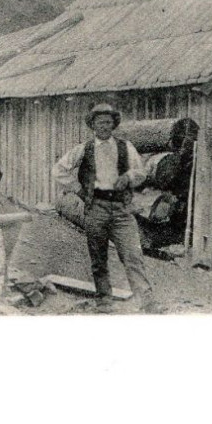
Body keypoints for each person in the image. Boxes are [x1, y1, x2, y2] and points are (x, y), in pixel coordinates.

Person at [52, 102, 155, 310]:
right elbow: (59, 170)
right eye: (100, 122)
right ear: (93, 125)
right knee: (98, 257)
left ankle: (146, 301)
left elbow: (141, 172)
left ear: (114, 124)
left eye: (108, 122)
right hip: (95, 207)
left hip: (121, 209)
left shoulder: (126, 147)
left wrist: (128, 177)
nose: (104, 127)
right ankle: (104, 301)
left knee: (132, 254)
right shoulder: (84, 149)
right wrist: (77, 189)